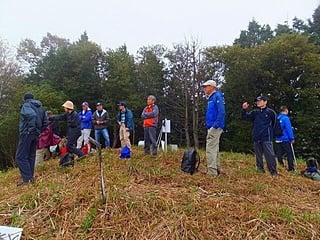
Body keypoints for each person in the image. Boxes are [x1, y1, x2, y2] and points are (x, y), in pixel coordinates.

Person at [16, 93, 47, 186]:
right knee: (31, 155)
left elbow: (32, 115)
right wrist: (38, 130)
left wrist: (30, 129)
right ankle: (30, 178)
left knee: (20, 156)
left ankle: (27, 179)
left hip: (27, 133)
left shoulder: (26, 105)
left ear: (24, 99)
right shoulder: (40, 107)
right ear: (33, 98)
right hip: (36, 134)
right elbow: (45, 122)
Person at [242, 95, 278, 176]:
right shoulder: (255, 112)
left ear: (265, 102)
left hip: (266, 137)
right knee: (258, 155)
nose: (258, 102)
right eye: (257, 101)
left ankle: (273, 172)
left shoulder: (271, 112)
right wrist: (244, 109)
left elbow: (275, 124)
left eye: (260, 101)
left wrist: (273, 135)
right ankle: (260, 170)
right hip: (256, 137)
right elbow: (245, 117)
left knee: (270, 155)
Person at [202, 80, 226, 177]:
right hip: (212, 126)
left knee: (210, 148)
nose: (204, 88)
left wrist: (215, 125)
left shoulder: (217, 96)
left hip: (215, 127)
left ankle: (212, 172)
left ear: (212, 87)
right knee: (214, 148)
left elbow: (221, 112)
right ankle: (216, 169)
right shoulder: (211, 98)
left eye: (206, 86)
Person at [275, 106, 296, 171]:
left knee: (279, 153)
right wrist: (292, 138)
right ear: (286, 110)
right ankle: (291, 168)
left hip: (278, 139)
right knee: (289, 153)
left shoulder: (277, 118)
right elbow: (288, 129)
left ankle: (281, 166)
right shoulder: (286, 118)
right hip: (285, 139)